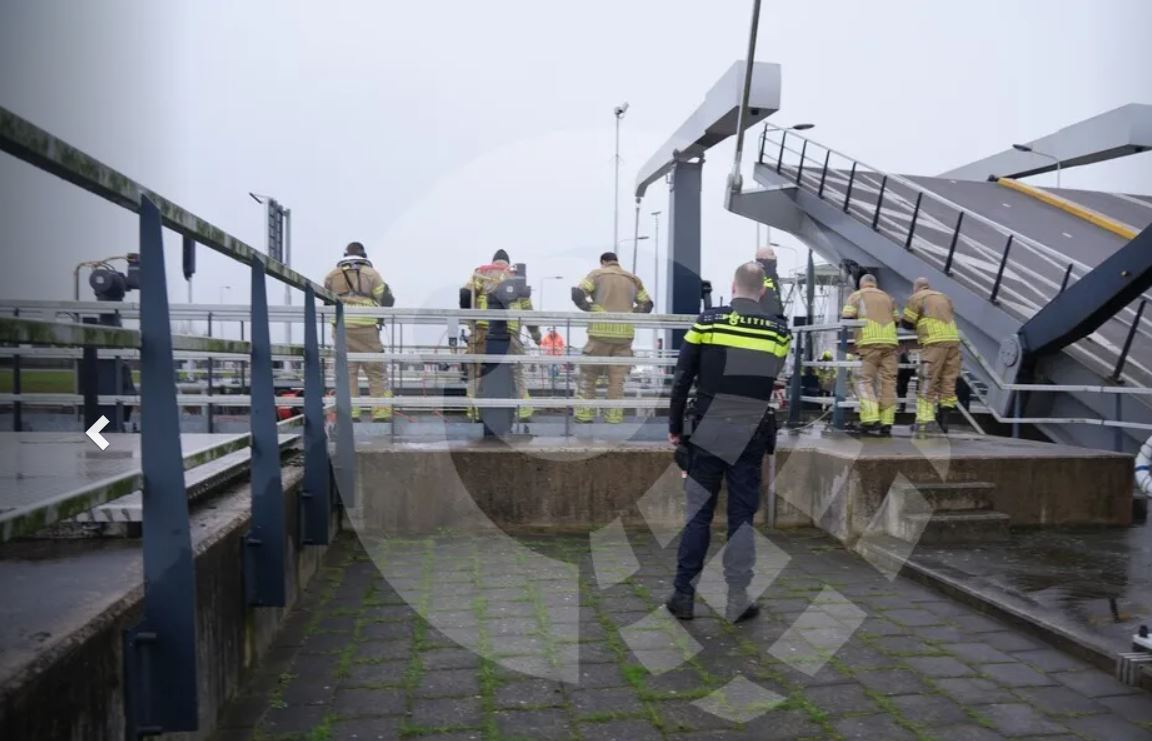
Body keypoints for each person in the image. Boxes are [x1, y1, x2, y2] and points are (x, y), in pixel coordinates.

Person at [665, 262, 791, 623]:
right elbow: (770, 376)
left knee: (698, 516)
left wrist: (675, 426)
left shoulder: (708, 322)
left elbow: (682, 378)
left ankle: (684, 595)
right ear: (763, 292)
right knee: (741, 518)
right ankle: (737, 599)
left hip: (708, 427)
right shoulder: (779, 331)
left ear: (733, 287)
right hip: (751, 428)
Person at [571, 251, 653, 423]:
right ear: (616, 262)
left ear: (603, 262)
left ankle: (585, 415)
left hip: (600, 334)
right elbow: (647, 304)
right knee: (617, 380)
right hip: (624, 336)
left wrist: (590, 308)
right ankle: (613, 417)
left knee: (589, 375)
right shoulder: (632, 279)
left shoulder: (597, 274)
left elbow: (577, 294)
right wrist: (631, 314)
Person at [460, 250, 541, 421]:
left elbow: (465, 294)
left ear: (493, 261)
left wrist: (470, 321)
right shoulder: (516, 278)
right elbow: (528, 311)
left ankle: (474, 412)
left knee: (476, 371)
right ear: (507, 263)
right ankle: (524, 412)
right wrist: (536, 335)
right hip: (512, 331)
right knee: (517, 371)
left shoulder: (481, 273)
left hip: (483, 328)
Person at [323, 241, 395, 421]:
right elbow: (387, 299)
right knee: (375, 371)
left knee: (347, 372)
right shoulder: (371, 274)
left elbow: (326, 301)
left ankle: (350, 415)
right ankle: (380, 415)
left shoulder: (332, 275)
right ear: (364, 256)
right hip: (366, 326)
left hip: (341, 327)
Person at [840, 273, 900, 436]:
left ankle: (870, 419)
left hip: (869, 342)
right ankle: (887, 421)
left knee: (863, 380)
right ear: (875, 284)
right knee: (888, 382)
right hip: (890, 343)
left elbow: (846, 316)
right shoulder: (888, 298)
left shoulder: (857, 295)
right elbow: (897, 320)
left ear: (861, 284)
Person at [902, 277, 962, 433]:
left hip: (934, 341)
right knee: (948, 381)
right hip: (953, 340)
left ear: (916, 288)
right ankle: (944, 422)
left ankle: (924, 421)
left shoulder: (916, 298)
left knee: (927, 380)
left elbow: (907, 323)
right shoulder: (944, 297)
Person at [755, 245, 786, 319]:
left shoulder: (771, 276)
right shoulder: (758, 275)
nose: (775, 257)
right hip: (765, 320)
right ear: (765, 258)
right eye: (772, 254)